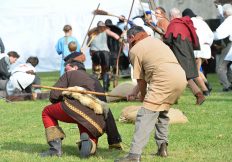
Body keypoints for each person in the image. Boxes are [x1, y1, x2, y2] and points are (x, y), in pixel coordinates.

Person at [115, 26, 187, 162]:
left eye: (127, 40)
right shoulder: (156, 42)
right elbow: (146, 73)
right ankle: (162, 148)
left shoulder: (135, 50)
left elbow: (140, 79)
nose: (127, 44)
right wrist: (134, 92)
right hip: (180, 77)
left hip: (163, 79)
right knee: (162, 112)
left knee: (145, 115)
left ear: (131, 37)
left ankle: (134, 155)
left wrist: (142, 96)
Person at [41, 60, 122, 158]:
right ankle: (90, 144)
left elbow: (53, 96)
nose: (65, 71)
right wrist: (114, 141)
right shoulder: (95, 80)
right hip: (95, 118)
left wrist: (63, 97)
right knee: (86, 124)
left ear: (75, 68)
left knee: (47, 112)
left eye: (67, 69)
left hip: (73, 108)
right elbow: (106, 111)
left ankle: (55, 149)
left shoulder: (70, 74)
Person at [163, 8, 206, 105]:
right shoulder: (185, 24)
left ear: (172, 16)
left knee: (184, 77)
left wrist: (163, 36)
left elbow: (168, 40)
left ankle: (199, 95)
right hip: (188, 53)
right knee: (182, 76)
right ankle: (174, 98)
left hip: (180, 54)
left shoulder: (174, 24)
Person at [182, 8, 214, 95]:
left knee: (194, 72)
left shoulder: (188, 22)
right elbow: (211, 35)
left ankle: (206, 91)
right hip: (206, 47)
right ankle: (207, 85)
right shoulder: (202, 22)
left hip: (197, 48)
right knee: (197, 70)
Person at [88, 21, 121, 91]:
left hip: (95, 53)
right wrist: (122, 39)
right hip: (105, 53)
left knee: (96, 71)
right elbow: (116, 36)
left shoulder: (92, 32)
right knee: (106, 71)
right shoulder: (105, 30)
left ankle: (95, 88)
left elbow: (88, 44)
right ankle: (105, 88)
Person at [214, 4, 232, 91]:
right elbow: (223, 12)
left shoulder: (228, 21)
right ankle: (230, 83)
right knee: (228, 66)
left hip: (230, 45)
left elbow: (219, 34)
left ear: (225, 13)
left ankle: (227, 86)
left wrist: (211, 36)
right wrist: (219, 7)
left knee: (220, 67)